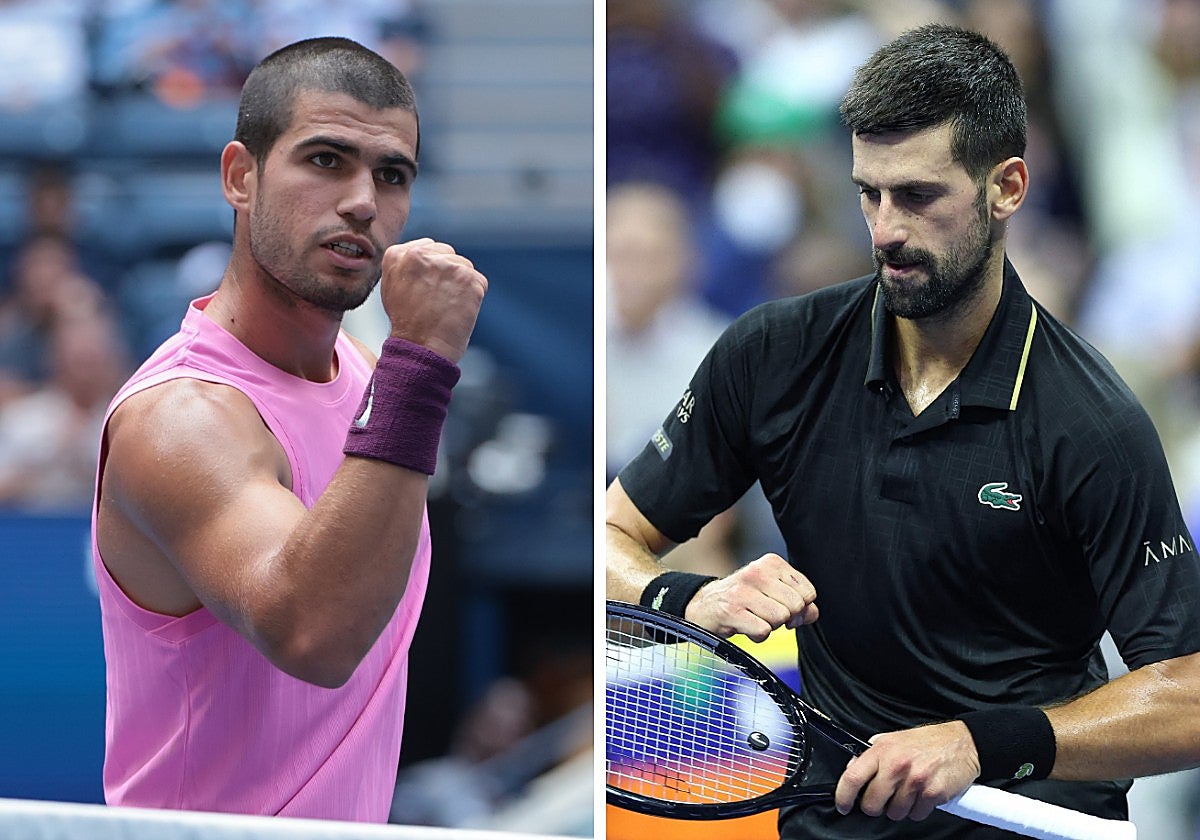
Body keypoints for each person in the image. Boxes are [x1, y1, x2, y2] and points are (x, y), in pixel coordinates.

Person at [605, 23, 1200, 839]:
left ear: (1009, 188)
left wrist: (983, 743)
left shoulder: (1090, 421)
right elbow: (611, 538)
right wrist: (686, 596)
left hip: (1027, 823)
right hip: (833, 816)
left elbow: (1191, 693)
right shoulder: (772, 353)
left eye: (918, 196)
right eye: (868, 192)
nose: (884, 229)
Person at [91, 37, 486, 821]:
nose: (364, 202)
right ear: (241, 177)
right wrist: (422, 361)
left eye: (392, 174)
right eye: (327, 160)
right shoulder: (179, 418)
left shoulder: (372, 380)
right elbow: (316, 636)